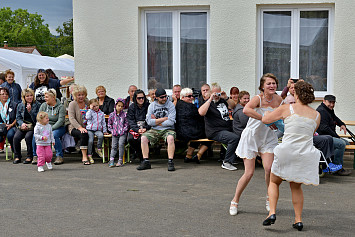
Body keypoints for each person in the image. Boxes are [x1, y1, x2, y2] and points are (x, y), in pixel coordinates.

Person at [261, 81, 320, 231]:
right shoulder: (317, 115)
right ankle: (298, 220)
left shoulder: (287, 108)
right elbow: (311, 131)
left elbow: (265, 120)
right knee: (296, 187)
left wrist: (268, 113)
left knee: (274, 182)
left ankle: (272, 213)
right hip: (304, 153)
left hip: (287, 151)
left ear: (297, 94)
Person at [230, 73, 282, 216]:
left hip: (268, 137)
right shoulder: (257, 98)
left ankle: (269, 198)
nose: (272, 86)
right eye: (269, 84)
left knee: (269, 169)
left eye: (274, 83)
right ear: (262, 86)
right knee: (249, 173)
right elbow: (246, 110)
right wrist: (265, 119)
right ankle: (235, 200)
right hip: (252, 136)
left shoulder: (278, 99)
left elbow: (282, 113)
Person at [198, 82, 238, 170]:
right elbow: (201, 112)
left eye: (218, 93)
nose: (216, 96)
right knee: (234, 138)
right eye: (214, 93)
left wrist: (226, 97)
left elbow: (233, 105)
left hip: (227, 128)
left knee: (241, 134)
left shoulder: (222, 100)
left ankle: (234, 157)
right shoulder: (207, 103)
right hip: (215, 131)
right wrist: (210, 98)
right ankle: (227, 162)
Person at [137, 88, 176, 171]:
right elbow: (149, 122)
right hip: (155, 129)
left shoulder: (170, 105)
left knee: (170, 138)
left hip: (168, 129)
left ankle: (170, 161)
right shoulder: (152, 106)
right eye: (162, 97)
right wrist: (164, 119)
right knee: (143, 138)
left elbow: (171, 121)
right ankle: (146, 161)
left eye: (165, 96)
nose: (164, 99)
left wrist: (156, 121)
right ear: (157, 97)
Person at [316, 95, 351, 176]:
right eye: (330, 102)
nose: (331, 104)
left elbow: (335, 118)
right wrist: (337, 136)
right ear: (324, 101)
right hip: (323, 137)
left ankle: (330, 162)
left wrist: (342, 124)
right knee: (341, 144)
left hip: (329, 136)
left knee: (346, 143)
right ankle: (338, 169)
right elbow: (324, 128)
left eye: (333, 102)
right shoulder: (322, 111)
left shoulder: (328, 109)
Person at [176, 88, 209, 163]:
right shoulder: (191, 106)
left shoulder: (178, 105)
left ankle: (189, 155)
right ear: (183, 97)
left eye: (192, 96)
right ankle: (198, 155)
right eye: (189, 96)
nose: (192, 98)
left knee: (199, 131)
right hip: (186, 133)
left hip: (180, 132)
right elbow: (199, 117)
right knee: (210, 134)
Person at [38, 89, 66, 165]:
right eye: (45, 97)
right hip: (45, 127)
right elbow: (39, 118)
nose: (45, 98)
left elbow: (61, 121)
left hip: (58, 127)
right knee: (36, 136)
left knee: (53, 135)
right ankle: (37, 156)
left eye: (47, 97)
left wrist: (50, 129)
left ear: (53, 97)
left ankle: (59, 156)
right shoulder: (43, 105)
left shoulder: (60, 107)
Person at [13, 89, 40, 164]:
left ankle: (29, 156)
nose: (30, 97)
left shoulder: (37, 104)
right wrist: (21, 124)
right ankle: (17, 156)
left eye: (31, 95)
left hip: (33, 126)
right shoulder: (20, 105)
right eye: (27, 96)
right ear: (24, 97)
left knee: (28, 137)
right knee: (16, 137)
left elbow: (38, 119)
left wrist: (30, 111)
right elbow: (18, 118)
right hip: (23, 126)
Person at [68, 85, 91, 165]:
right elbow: (71, 119)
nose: (81, 97)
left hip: (88, 127)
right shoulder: (72, 104)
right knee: (83, 134)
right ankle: (84, 157)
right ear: (75, 95)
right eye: (79, 95)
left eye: (82, 95)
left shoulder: (88, 103)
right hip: (74, 127)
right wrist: (80, 128)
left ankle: (92, 153)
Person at [127, 89, 150, 162]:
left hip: (146, 128)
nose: (141, 99)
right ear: (135, 98)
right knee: (130, 139)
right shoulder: (132, 107)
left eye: (142, 97)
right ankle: (139, 154)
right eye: (139, 98)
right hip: (136, 128)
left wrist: (146, 128)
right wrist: (137, 129)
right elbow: (130, 120)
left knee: (142, 139)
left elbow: (151, 119)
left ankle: (143, 157)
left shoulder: (148, 106)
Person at [108, 98, 129, 167]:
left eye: (122, 106)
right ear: (115, 105)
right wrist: (112, 130)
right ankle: (111, 160)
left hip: (122, 133)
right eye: (118, 106)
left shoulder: (125, 115)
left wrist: (124, 130)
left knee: (121, 145)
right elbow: (109, 124)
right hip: (114, 133)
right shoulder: (112, 115)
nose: (120, 108)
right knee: (113, 146)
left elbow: (126, 124)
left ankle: (120, 160)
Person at [86, 98, 108, 164]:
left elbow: (103, 123)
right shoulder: (90, 112)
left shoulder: (101, 113)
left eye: (97, 106)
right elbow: (87, 117)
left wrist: (104, 131)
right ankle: (89, 155)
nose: (95, 107)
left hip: (97, 129)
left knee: (101, 136)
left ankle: (99, 149)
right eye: (93, 106)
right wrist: (90, 109)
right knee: (90, 141)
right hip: (90, 129)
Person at [0, 87, 17, 155]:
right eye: (2, 94)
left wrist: (11, 125)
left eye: (6, 94)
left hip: (12, 125)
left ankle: (15, 152)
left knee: (10, 135)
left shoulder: (14, 104)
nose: (5, 96)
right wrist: (3, 124)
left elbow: (17, 117)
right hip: (1, 126)